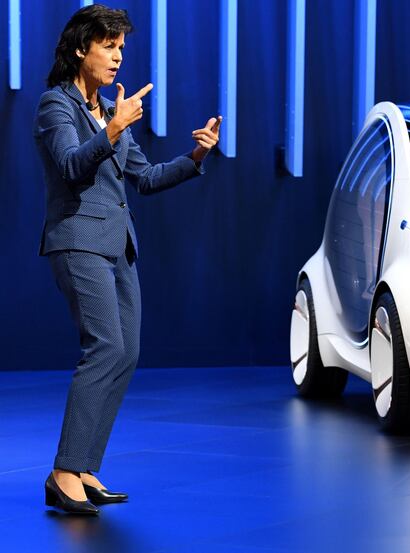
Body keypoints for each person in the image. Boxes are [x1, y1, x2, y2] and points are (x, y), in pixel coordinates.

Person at [34, 4, 221, 515]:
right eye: (108, 47)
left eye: (121, 48)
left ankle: (85, 467)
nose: (118, 57)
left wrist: (197, 157)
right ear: (81, 48)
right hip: (78, 242)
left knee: (127, 353)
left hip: (119, 246)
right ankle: (62, 471)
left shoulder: (109, 111)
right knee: (104, 348)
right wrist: (112, 128)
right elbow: (72, 166)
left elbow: (146, 178)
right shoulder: (57, 106)